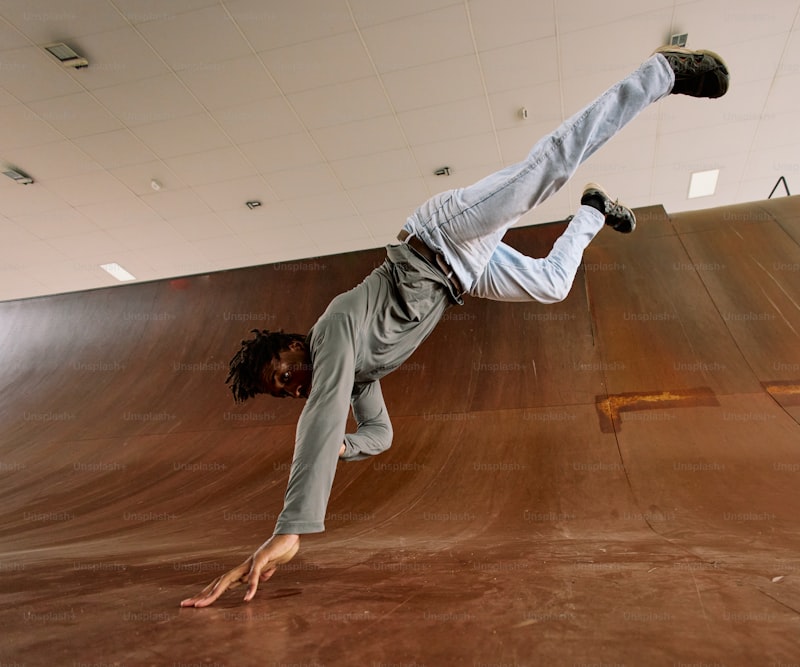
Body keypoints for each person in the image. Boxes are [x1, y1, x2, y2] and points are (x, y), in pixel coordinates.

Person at [180, 45, 729, 608]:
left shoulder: (334, 329)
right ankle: (593, 211)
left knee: (545, 171)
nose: (294, 387)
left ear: (296, 346)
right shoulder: (361, 374)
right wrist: (339, 451)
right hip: (462, 277)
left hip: (442, 235)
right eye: (283, 392)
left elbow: (319, 418)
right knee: (551, 284)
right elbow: (379, 434)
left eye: (285, 373)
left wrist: (289, 529)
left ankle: (663, 72)